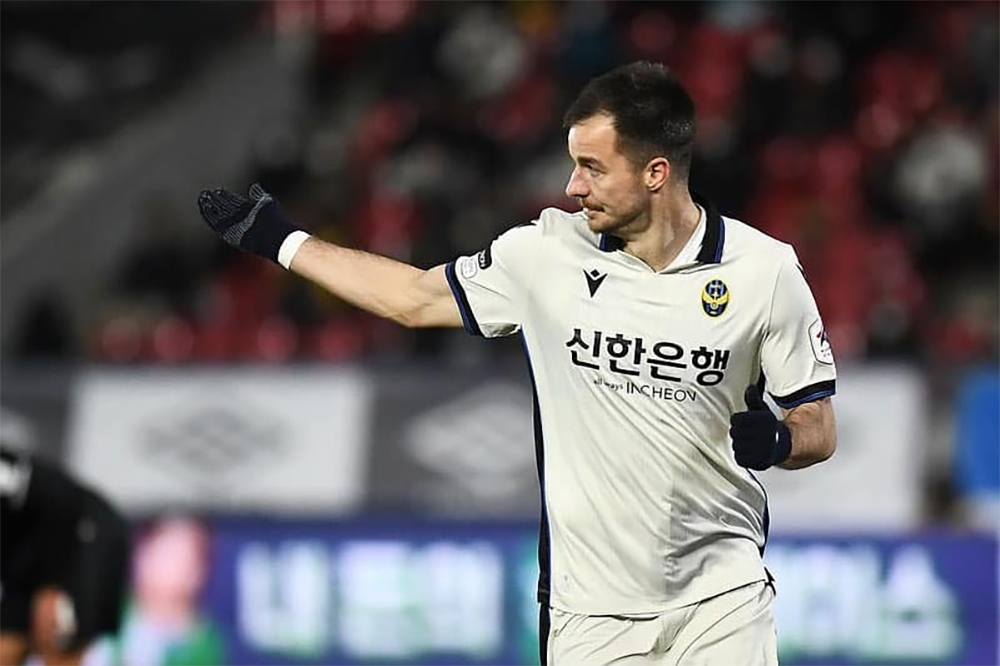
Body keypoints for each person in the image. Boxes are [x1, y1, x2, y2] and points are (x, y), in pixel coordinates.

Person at [197, 61, 838, 665]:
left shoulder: (764, 272)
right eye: (573, 165)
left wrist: (782, 440)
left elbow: (818, 426)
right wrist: (282, 239)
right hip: (591, 616)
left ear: (655, 172)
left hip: (723, 600)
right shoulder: (544, 256)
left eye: (592, 168)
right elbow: (413, 298)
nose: (573, 186)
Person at [0, 446, 130, 666]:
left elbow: (62, 498)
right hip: (25, 562)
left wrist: (53, 584)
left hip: (80, 537)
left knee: (58, 643)